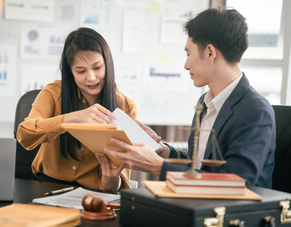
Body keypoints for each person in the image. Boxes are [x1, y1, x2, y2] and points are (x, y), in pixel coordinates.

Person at [104, 8, 276, 188]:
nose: (186, 65)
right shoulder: (205, 102)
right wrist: (163, 151)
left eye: (188, 54)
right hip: (195, 204)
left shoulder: (256, 111)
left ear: (210, 52)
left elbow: (236, 182)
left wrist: (159, 167)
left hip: (228, 213)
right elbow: (198, 166)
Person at [17, 27, 136, 191]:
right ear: (70, 71)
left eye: (97, 67)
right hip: (46, 185)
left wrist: (110, 183)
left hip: (94, 193)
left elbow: (119, 177)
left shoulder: (125, 106)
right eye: (81, 71)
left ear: (107, 64)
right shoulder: (54, 92)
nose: (91, 78)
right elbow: (24, 134)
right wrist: (69, 119)